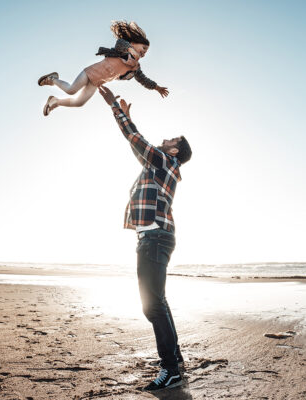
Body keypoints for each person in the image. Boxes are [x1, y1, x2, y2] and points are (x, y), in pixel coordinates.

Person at [98, 85, 192, 391]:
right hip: (155, 237)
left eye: (171, 140)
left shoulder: (166, 162)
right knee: (158, 303)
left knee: (151, 306)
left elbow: (136, 139)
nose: (165, 141)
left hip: (154, 238)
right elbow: (138, 147)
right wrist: (125, 117)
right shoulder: (160, 165)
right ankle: (175, 361)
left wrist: (116, 108)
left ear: (175, 150)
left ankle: (170, 368)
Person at [38, 20, 169, 116]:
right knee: (72, 90)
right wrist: (130, 49)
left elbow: (144, 80)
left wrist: (157, 88)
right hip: (89, 73)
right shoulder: (123, 49)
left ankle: (55, 102)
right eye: (144, 48)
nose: (144, 53)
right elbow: (120, 43)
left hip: (96, 83)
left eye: (146, 52)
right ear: (133, 43)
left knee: (79, 102)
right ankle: (53, 79)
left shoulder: (135, 67)